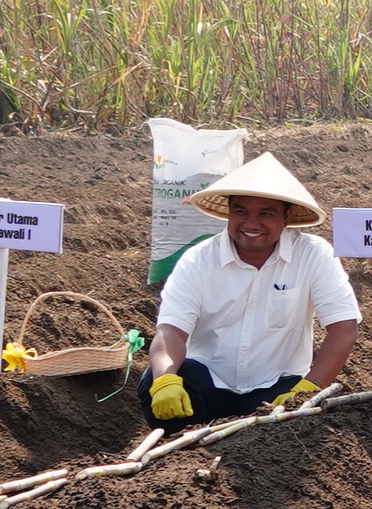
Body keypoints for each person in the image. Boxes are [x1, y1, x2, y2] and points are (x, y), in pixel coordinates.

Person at [146, 155, 360, 422]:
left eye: (266, 213)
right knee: (151, 384)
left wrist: (309, 388)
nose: (251, 223)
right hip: (207, 383)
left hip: (277, 388)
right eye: (241, 212)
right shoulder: (198, 259)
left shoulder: (313, 255)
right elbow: (171, 330)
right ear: (229, 211)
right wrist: (166, 379)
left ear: (287, 215)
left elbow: (344, 328)